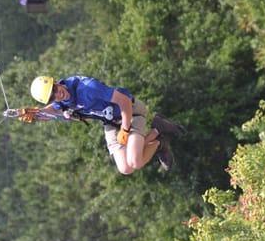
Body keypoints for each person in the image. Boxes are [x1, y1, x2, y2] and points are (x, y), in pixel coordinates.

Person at [29, 75, 185, 175]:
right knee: (126, 168)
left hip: (130, 112)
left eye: (55, 89)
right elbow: (52, 113)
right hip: (110, 122)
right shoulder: (61, 102)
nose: (57, 94)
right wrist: (32, 114)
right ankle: (157, 138)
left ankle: (158, 134)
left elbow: (124, 101)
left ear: (55, 82)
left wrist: (125, 129)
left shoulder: (87, 87)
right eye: (52, 97)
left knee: (136, 161)